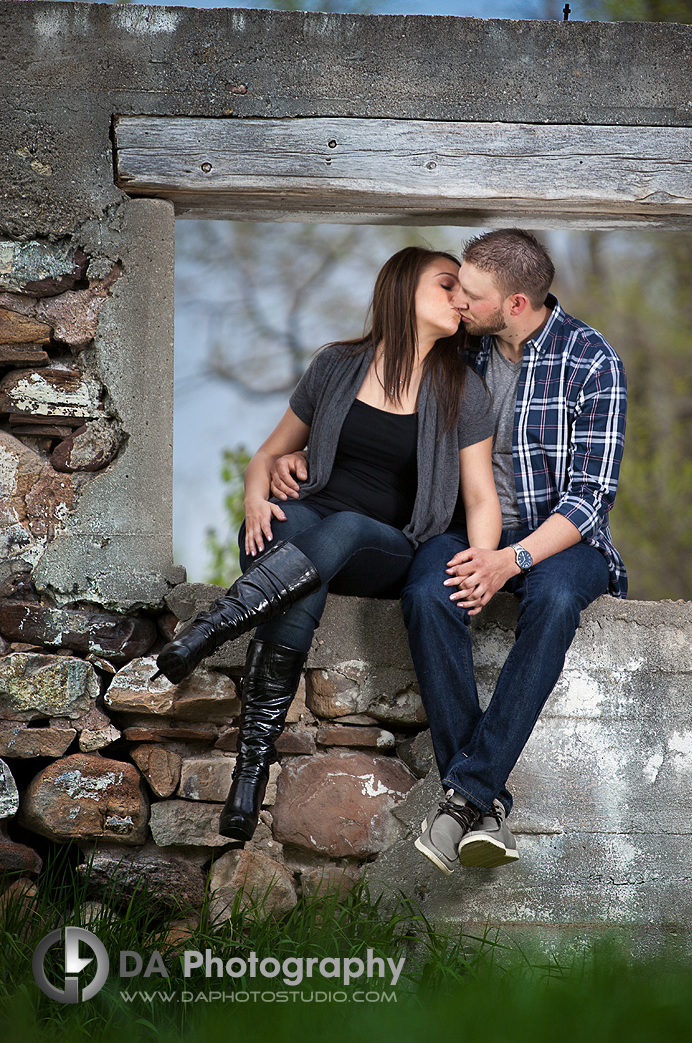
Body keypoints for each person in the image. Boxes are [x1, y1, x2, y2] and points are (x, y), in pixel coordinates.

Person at [156, 246, 501, 842]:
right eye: (447, 285)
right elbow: (267, 455)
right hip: (302, 533)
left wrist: (487, 558)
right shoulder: (336, 364)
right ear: (402, 290)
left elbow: (479, 497)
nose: (459, 300)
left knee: (342, 529)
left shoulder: (462, 388)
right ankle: (248, 782)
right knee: (293, 540)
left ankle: (213, 627)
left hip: (385, 545)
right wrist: (255, 499)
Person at [399, 228, 627, 876]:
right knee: (423, 593)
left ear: (518, 303)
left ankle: (463, 798)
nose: (459, 302)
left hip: (561, 539)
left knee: (555, 599)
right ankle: (482, 803)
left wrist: (511, 560)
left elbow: (589, 500)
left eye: (472, 294)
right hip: (470, 526)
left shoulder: (590, 360)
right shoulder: (460, 352)